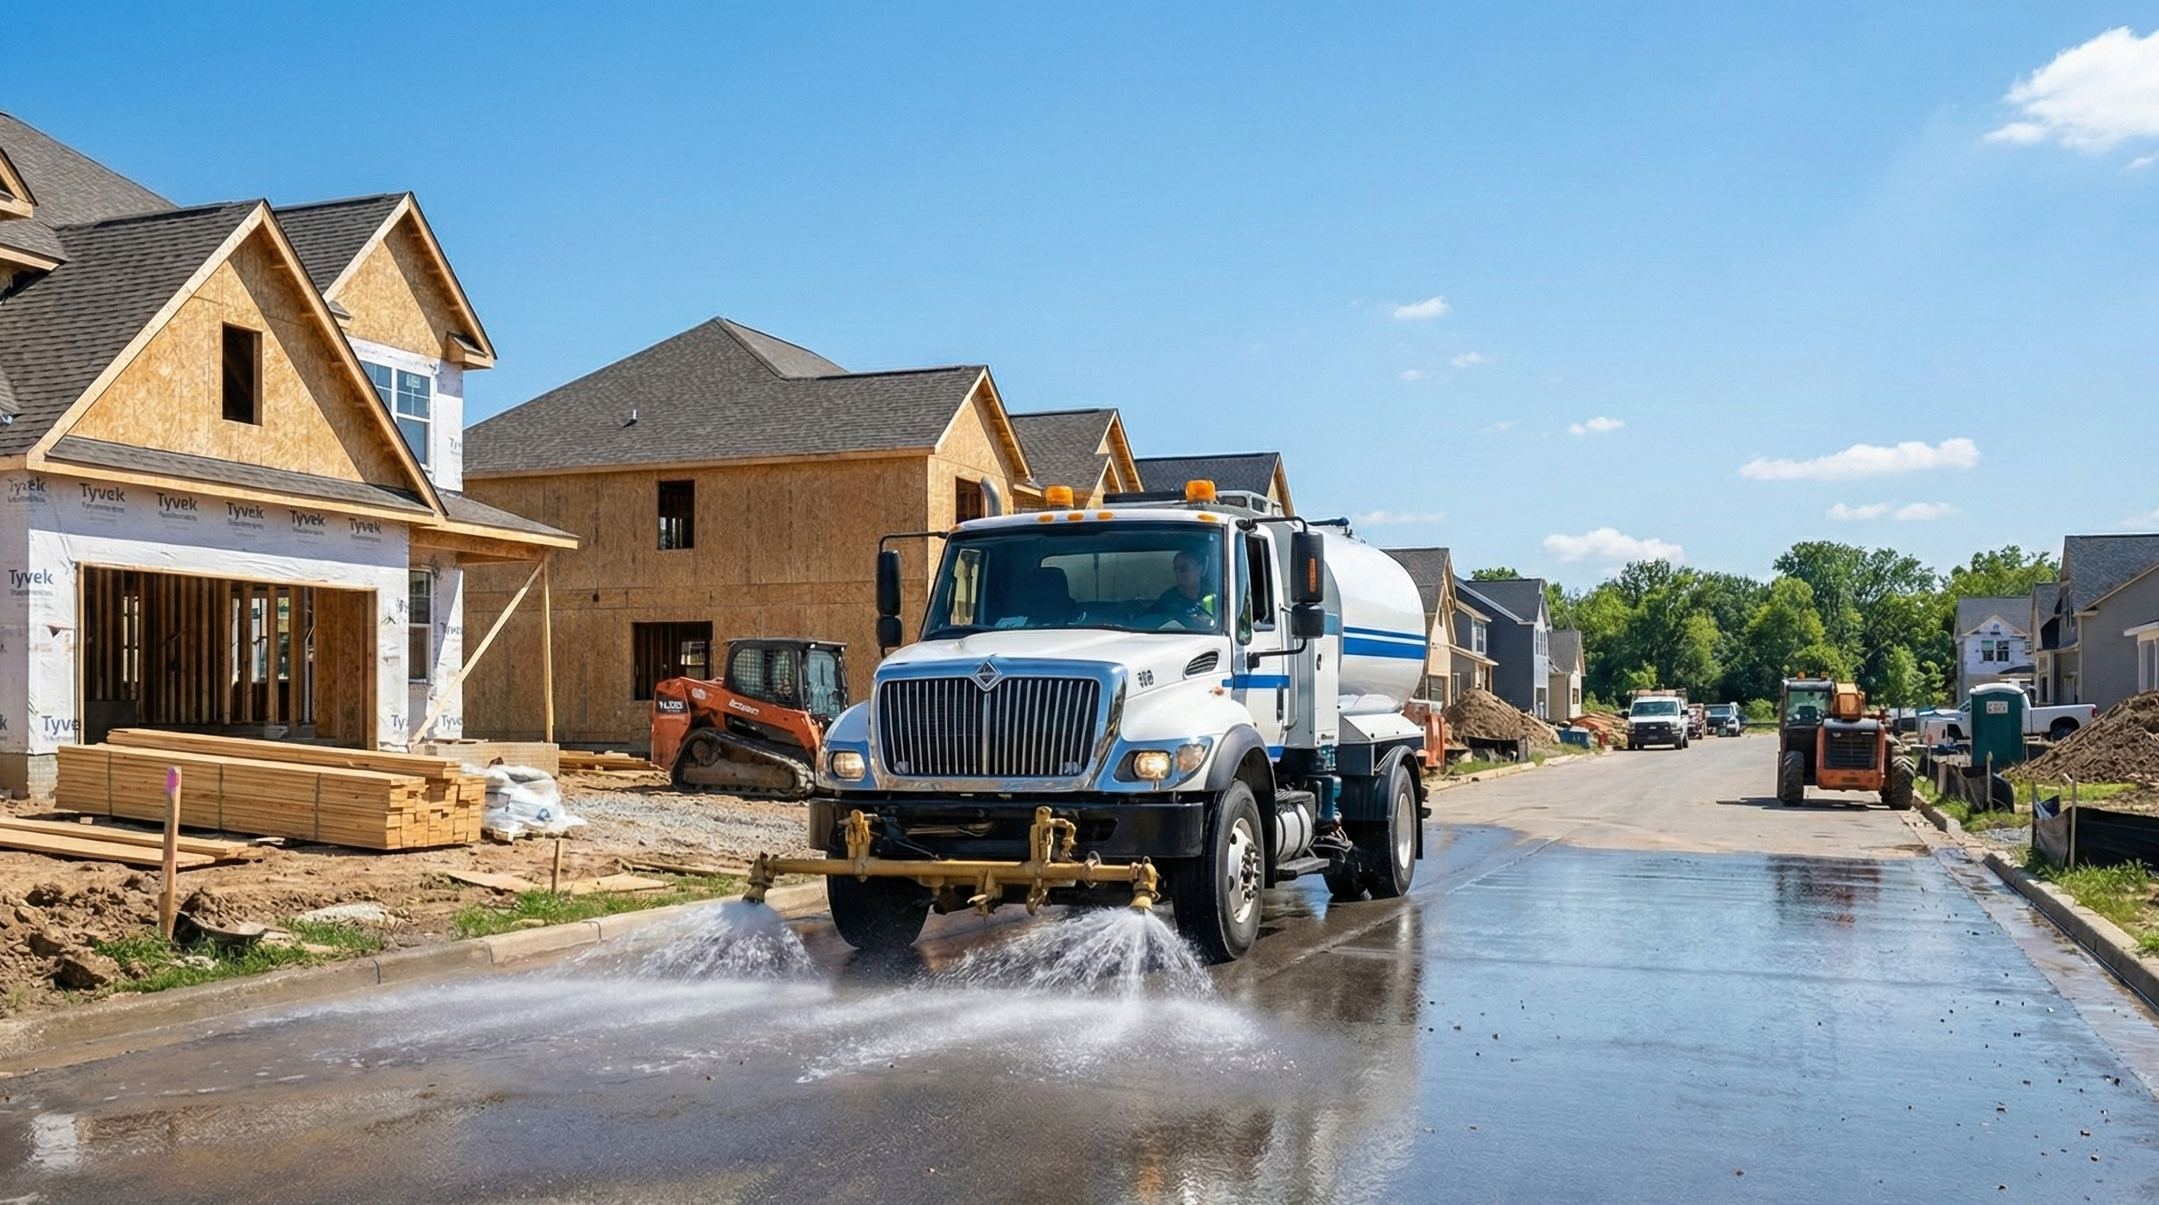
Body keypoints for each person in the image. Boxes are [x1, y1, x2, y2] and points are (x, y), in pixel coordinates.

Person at [1151, 550, 1217, 628]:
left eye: (1184, 568)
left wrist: (1209, 622)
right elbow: (1153, 622)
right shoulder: (1167, 599)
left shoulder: (1215, 597)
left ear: (1200, 569)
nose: (1179, 573)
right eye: (1176, 569)